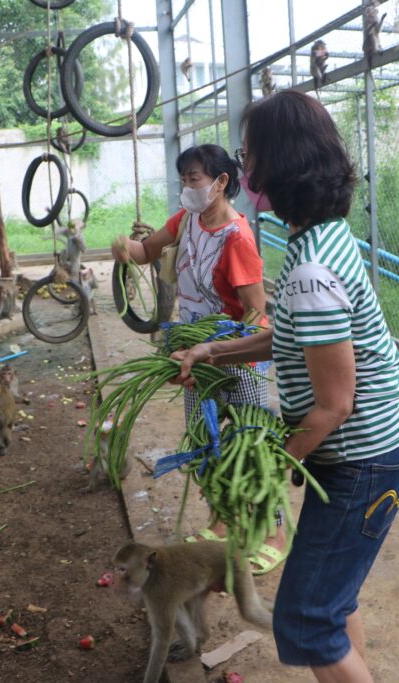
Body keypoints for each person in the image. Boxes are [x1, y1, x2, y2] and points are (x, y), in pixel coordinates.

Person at [173, 91, 399, 683]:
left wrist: (269, 470)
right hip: (365, 458)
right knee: (333, 603)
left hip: (361, 463)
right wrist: (214, 349)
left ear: (277, 165)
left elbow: (335, 405)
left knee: (305, 618)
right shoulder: (322, 237)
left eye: (248, 156)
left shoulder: (309, 270)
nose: (244, 169)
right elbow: (293, 337)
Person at [110, 144, 287, 572]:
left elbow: (255, 313)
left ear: (221, 182)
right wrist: (124, 247)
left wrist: (222, 348)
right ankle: (222, 522)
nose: (187, 188)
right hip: (194, 355)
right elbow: (146, 251)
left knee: (251, 444)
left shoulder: (237, 239)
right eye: (184, 180)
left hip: (237, 359)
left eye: (194, 179)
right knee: (205, 440)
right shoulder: (186, 220)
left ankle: (273, 534)